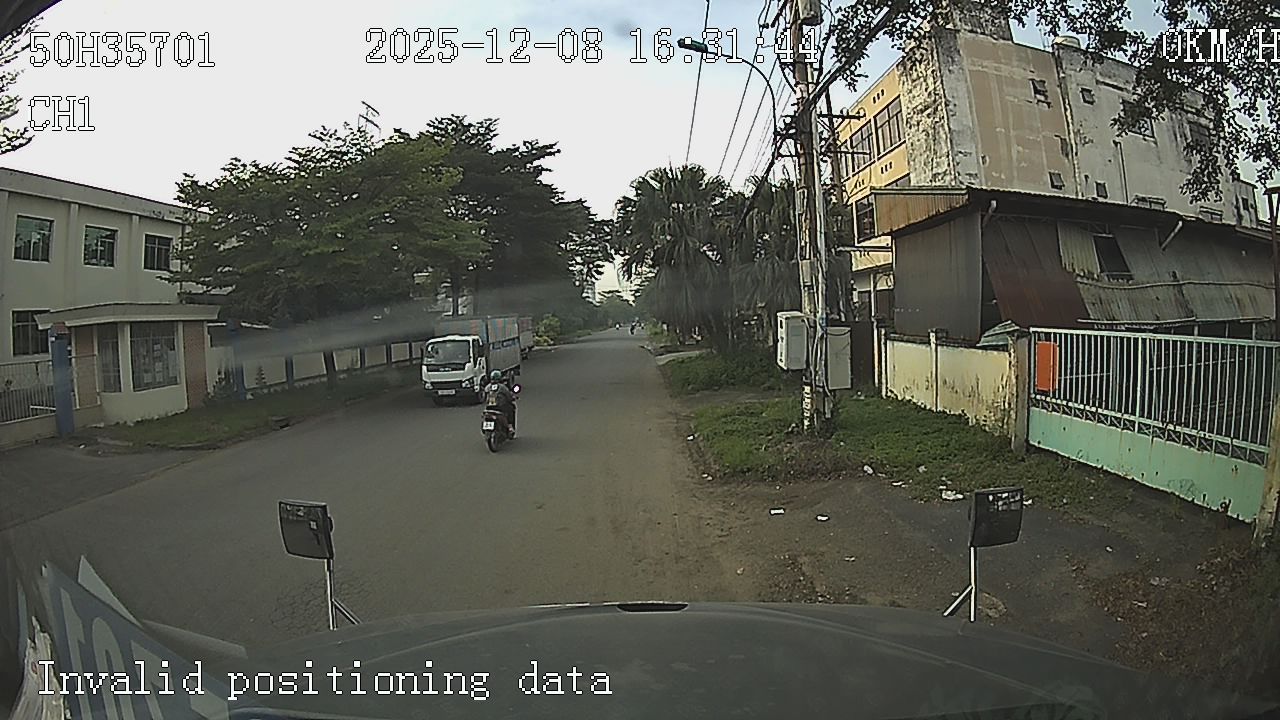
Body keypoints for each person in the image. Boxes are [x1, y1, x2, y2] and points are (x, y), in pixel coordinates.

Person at [483, 369, 516, 437]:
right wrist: (512, 398)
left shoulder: (487, 387)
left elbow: (485, 397)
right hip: (500, 408)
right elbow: (508, 396)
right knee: (511, 408)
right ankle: (510, 426)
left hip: (489, 408)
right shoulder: (502, 387)